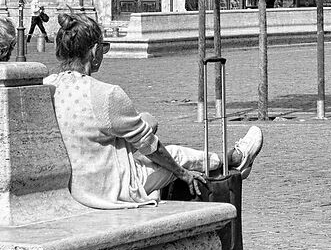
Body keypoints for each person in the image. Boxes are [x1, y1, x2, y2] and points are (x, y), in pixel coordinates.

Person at [46, 15, 260, 209]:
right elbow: (151, 147)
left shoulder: (48, 86)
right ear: (93, 51)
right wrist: (181, 173)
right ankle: (231, 161)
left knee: (146, 126)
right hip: (109, 187)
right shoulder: (105, 94)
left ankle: (228, 162)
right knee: (175, 155)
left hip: (73, 183)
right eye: (104, 47)